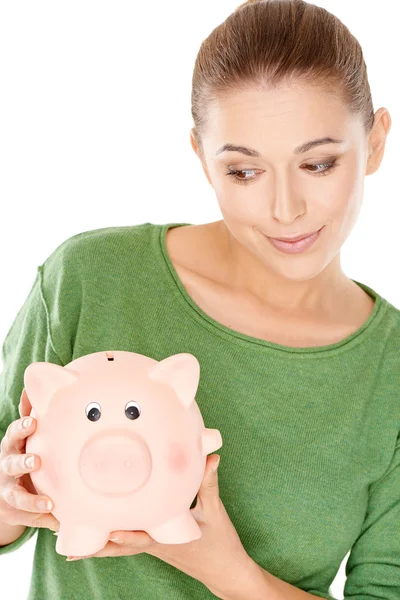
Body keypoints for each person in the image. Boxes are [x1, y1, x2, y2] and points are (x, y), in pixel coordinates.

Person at [0, 0, 398, 598]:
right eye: (244, 171)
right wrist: (9, 505)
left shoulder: (389, 371)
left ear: (374, 143)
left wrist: (226, 569)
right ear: (201, 159)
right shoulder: (89, 279)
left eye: (318, 163)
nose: (285, 209)